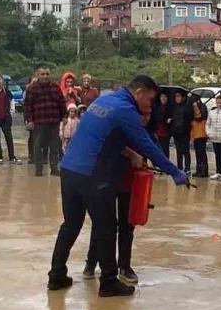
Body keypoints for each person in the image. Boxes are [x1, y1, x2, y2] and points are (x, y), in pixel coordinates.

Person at [48, 75, 188, 296]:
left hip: (69, 169)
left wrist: (128, 152)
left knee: (71, 224)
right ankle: (109, 282)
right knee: (107, 228)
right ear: (139, 92)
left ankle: (56, 276)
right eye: (149, 99)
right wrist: (174, 171)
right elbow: (148, 145)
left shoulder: (103, 101)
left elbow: (103, 136)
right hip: (92, 173)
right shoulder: (125, 109)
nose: (149, 105)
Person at [82, 110, 152, 285]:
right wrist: (132, 154)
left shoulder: (145, 133)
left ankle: (125, 266)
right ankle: (91, 263)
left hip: (130, 185)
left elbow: (154, 151)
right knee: (103, 224)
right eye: (142, 114)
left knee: (127, 226)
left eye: (148, 115)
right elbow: (107, 143)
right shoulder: (117, 127)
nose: (145, 118)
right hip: (107, 182)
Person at [24, 66, 65, 176]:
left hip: (54, 121)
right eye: (42, 74)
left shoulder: (56, 88)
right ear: (38, 75)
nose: (45, 76)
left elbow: (61, 103)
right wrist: (29, 120)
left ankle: (54, 168)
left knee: (54, 146)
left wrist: (64, 117)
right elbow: (28, 106)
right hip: (39, 122)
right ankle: (38, 168)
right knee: (37, 146)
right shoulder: (32, 89)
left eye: (47, 74)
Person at [0, 74, 18, 164]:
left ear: (2, 81)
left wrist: (11, 112)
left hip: (5, 118)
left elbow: (12, 101)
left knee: (9, 138)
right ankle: (0, 157)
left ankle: (11, 157)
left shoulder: (7, 92)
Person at [170, 90, 191, 174]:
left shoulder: (187, 107)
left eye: (178, 96)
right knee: (178, 150)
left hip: (184, 132)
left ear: (183, 97)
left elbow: (189, 118)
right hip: (176, 132)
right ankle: (179, 167)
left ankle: (187, 168)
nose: (177, 98)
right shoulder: (173, 106)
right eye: (176, 96)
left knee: (186, 150)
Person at [189, 96, 209, 178]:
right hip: (195, 134)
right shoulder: (192, 107)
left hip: (201, 133)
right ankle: (199, 170)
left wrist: (195, 107)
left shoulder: (202, 107)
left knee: (202, 153)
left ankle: (204, 171)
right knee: (198, 153)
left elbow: (199, 117)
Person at [152, 91, 171, 157]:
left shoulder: (170, 107)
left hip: (166, 132)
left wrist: (170, 119)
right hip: (157, 132)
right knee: (157, 149)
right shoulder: (156, 107)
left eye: (165, 97)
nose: (163, 98)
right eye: (162, 96)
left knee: (165, 150)